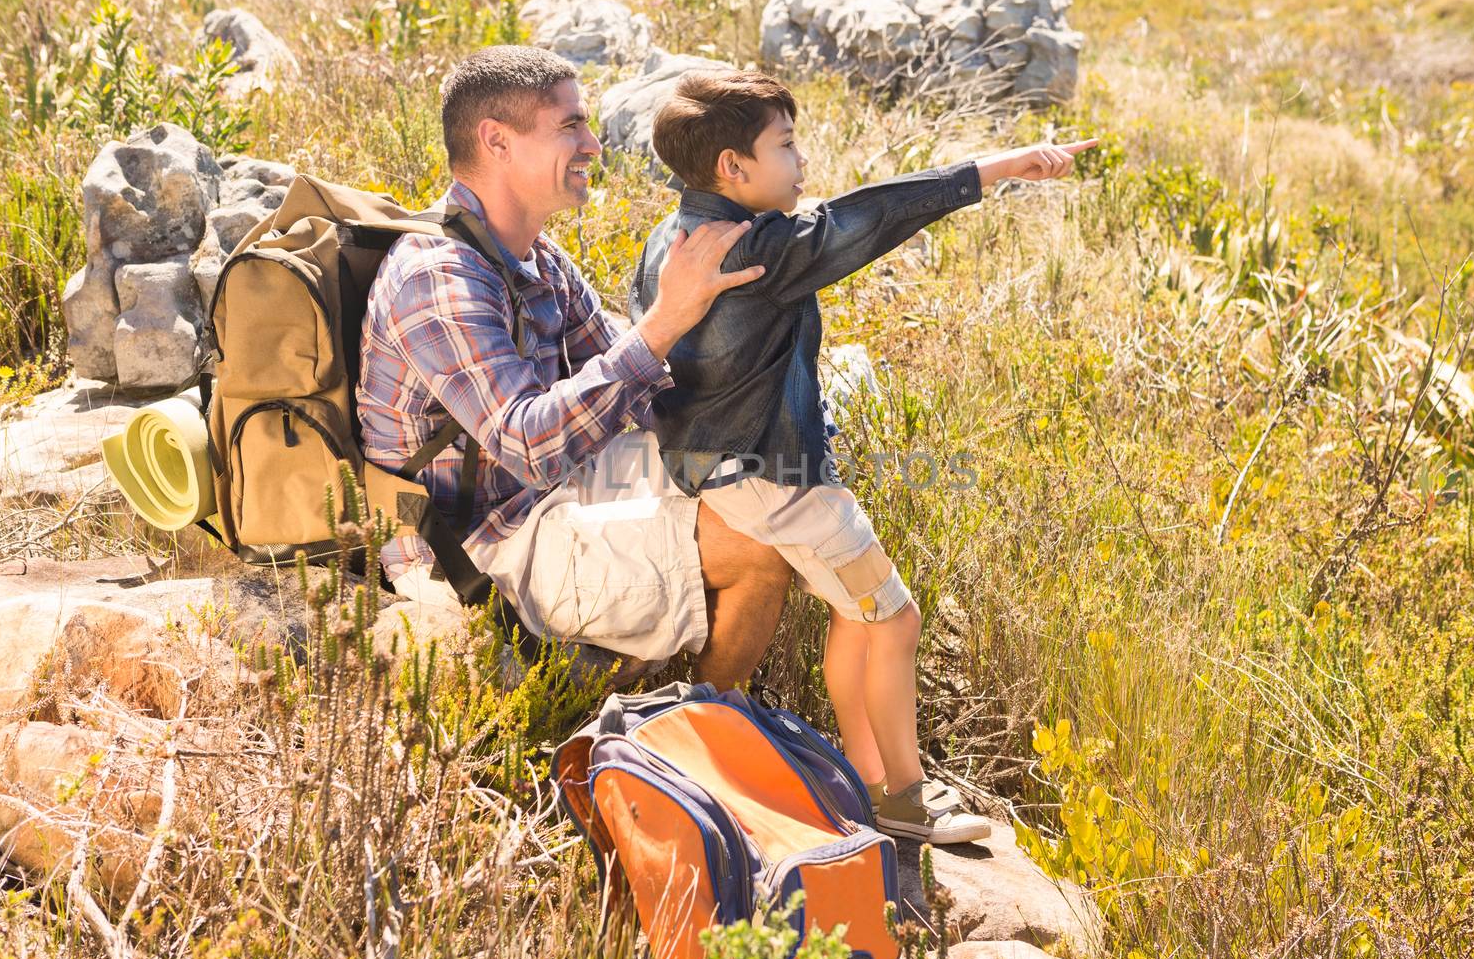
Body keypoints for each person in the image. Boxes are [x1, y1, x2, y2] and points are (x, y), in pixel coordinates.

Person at [630, 70, 1095, 843]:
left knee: (863, 613)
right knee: (897, 619)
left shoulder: (671, 236)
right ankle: (904, 800)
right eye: (785, 145)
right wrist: (1003, 165)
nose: (802, 160)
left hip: (720, 473)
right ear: (732, 168)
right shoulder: (763, 249)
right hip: (776, 480)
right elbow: (869, 218)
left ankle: (873, 781)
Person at [357, 45, 793, 690]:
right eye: (570, 126)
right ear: (497, 142)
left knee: (777, 487)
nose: (593, 144)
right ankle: (704, 745)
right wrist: (666, 319)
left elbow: (644, 395)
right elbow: (528, 444)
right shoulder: (436, 278)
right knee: (756, 549)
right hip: (473, 545)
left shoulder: (541, 260)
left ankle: (675, 695)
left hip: (547, 493)